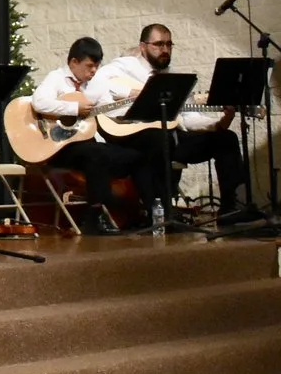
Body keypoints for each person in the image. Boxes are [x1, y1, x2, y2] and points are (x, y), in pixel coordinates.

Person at [98, 23, 255, 223]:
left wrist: (220, 122)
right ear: (143, 46)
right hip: (138, 137)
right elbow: (99, 83)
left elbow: (188, 118)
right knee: (159, 138)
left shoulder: (173, 78)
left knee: (226, 139)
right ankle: (162, 213)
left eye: (169, 44)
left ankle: (230, 209)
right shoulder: (127, 66)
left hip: (172, 137)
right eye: (158, 44)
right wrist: (140, 93)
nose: (165, 49)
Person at [28, 37, 159, 235]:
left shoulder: (97, 83)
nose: (94, 71)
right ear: (74, 62)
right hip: (59, 146)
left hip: (86, 145)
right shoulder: (56, 78)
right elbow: (39, 102)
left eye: (97, 66)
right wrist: (74, 108)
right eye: (89, 66)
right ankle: (95, 216)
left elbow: (108, 110)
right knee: (97, 154)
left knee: (136, 157)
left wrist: (133, 107)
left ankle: (151, 214)